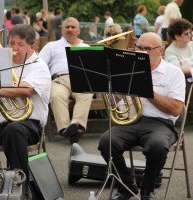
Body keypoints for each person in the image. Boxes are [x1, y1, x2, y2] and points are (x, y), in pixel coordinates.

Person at [98, 32, 186, 200]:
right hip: (130, 122)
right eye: (139, 48)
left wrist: (146, 90)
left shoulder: (174, 73)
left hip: (160, 124)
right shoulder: (126, 70)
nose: (142, 53)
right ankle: (126, 186)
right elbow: (119, 102)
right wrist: (109, 89)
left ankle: (147, 189)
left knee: (158, 146)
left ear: (161, 50)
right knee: (106, 141)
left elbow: (175, 109)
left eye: (147, 49)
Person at [0, 24, 51, 194]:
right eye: (11, 43)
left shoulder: (39, 66)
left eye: (20, 44)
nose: (14, 49)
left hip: (28, 124)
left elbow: (26, 90)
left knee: (13, 130)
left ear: (33, 46)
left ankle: (18, 185)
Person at [39, 17, 93, 144]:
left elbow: (93, 69)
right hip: (59, 80)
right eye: (67, 27)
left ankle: (76, 125)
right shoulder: (52, 46)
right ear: (62, 30)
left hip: (81, 79)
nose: (69, 29)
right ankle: (65, 129)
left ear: (78, 30)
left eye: (73, 27)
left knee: (86, 94)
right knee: (57, 96)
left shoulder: (86, 47)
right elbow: (39, 65)